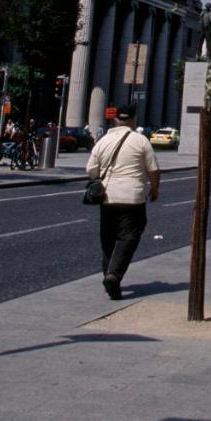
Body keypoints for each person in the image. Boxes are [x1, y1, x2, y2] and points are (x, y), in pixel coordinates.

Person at [85, 106, 160, 300]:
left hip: (108, 197)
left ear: (115, 120)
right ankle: (114, 275)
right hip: (132, 197)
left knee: (108, 238)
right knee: (130, 235)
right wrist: (154, 188)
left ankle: (110, 276)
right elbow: (153, 168)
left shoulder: (103, 141)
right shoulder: (141, 140)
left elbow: (91, 170)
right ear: (133, 120)